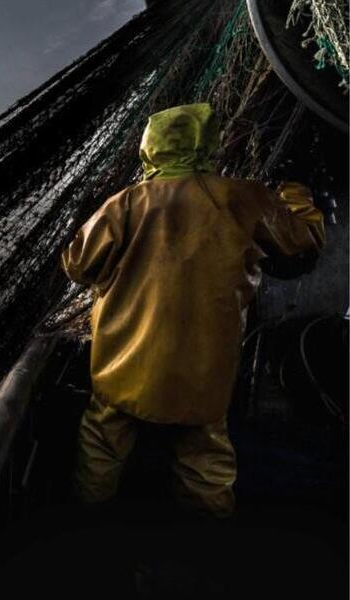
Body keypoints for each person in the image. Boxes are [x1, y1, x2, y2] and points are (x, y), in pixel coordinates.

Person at [60, 103, 325, 518]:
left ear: (152, 147)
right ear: (209, 144)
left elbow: (78, 265)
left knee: (102, 442)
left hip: (122, 364)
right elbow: (302, 242)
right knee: (205, 459)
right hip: (204, 370)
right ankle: (205, 549)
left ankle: (84, 528)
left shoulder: (125, 203)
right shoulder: (243, 197)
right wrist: (296, 192)